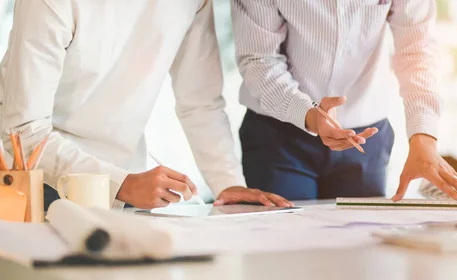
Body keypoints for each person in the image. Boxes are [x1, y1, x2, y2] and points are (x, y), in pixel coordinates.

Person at [0, 0, 292, 210]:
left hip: (124, 184)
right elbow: (25, 131)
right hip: (34, 186)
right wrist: (122, 183)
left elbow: (200, 101)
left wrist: (228, 184)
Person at [232, 0, 457, 201]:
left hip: (366, 138)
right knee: (285, 250)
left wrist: (423, 137)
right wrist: (309, 114)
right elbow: (259, 59)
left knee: (361, 250)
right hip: (278, 137)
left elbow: (417, 51)